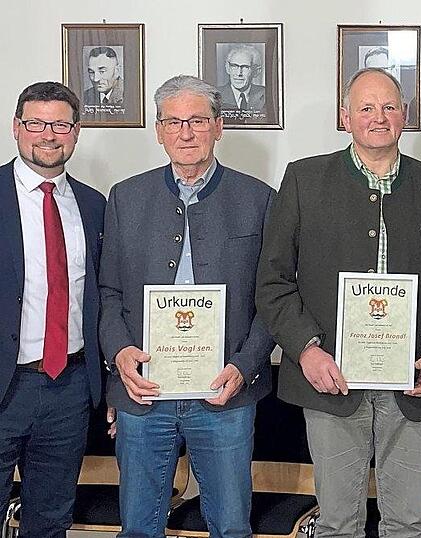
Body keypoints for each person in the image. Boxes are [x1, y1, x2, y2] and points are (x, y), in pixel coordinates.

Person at [256, 67, 421, 537]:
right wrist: (306, 350)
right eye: (366, 108)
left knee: (410, 524)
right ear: (345, 117)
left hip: (412, 379)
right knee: (337, 524)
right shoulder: (304, 179)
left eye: (389, 107)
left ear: (404, 115)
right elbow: (272, 281)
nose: (378, 117)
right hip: (331, 378)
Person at [98, 75, 275, 538]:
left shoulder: (258, 198)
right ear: (159, 131)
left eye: (197, 120)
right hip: (144, 391)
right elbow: (108, 292)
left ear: (218, 126)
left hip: (226, 391)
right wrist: (119, 355)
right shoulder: (125, 197)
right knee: (138, 527)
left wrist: (245, 366)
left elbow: (273, 297)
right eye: (173, 122)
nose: (186, 132)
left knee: (231, 527)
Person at [0, 81, 104, 538]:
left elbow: (102, 297)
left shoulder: (93, 205)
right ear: (16, 128)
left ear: (76, 132)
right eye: (36, 123)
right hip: (6, 386)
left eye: (60, 125)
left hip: (69, 389)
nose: (48, 134)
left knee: (50, 520)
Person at [217, 44, 266, 111]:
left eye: (245, 67)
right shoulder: (216, 95)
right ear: (228, 68)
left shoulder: (265, 94)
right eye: (234, 66)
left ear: (256, 71)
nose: (239, 73)